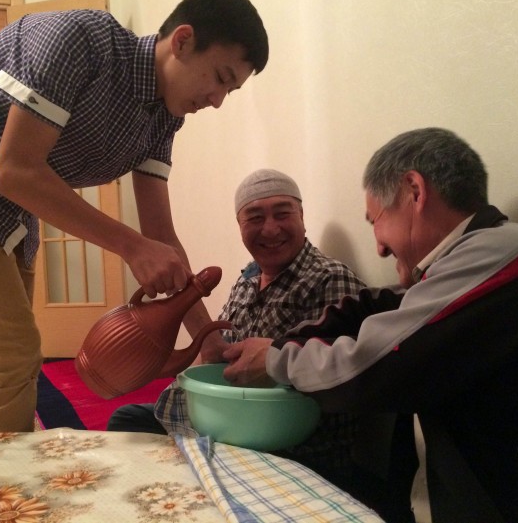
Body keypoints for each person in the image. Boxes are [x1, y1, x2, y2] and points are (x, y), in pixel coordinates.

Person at [0, 0, 268, 443]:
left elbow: (160, 234)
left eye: (230, 91)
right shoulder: (81, 41)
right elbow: (15, 171)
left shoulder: (163, 118)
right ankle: (7, 487)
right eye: (221, 78)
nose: (218, 101)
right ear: (183, 41)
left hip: (8, 204)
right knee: (12, 350)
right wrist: (132, 247)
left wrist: (205, 338)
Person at [224, 128, 518, 521]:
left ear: (415, 191)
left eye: (375, 220)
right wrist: (282, 344)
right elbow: (378, 307)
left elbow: (376, 364)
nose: (378, 246)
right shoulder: (454, 273)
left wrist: (275, 359)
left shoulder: (509, 252)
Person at [107, 169, 417, 517]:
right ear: (240, 226)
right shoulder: (247, 279)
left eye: (282, 213)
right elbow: (219, 357)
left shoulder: (329, 280)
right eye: (254, 218)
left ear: (301, 216)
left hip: (294, 446)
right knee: (127, 421)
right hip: (231, 423)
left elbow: (333, 390)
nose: (270, 229)